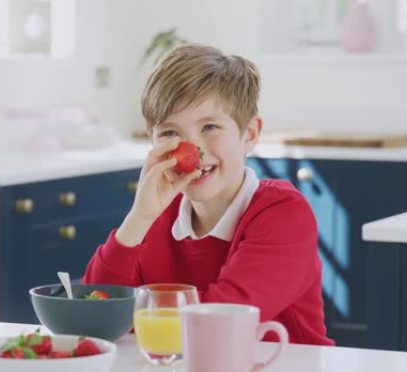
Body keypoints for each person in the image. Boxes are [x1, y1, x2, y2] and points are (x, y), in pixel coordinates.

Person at [82, 44, 334, 346]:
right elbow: (97, 312)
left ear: (249, 135)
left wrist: (133, 312)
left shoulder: (283, 213)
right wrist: (138, 218)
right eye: (170, 133)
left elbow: (221, 320)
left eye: (210, 127)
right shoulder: (157, 214)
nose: (193, 150)